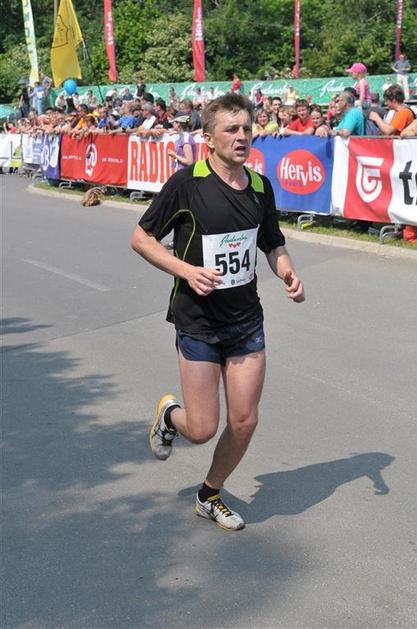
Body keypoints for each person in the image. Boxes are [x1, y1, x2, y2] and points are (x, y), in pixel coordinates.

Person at [130, 94, 305, 531]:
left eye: (247, 128)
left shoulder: (260, 186)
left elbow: (272, 242)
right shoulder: (187, 184)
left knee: (244, 421)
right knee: (203, 428)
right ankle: (169, 416)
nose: (242, 136)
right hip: (198, 323)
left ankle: (209, 494)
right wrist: (186, 270)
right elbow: (141, 239)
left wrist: (287, 271)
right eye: (231, 129)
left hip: (246, 322)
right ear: (208, 138)